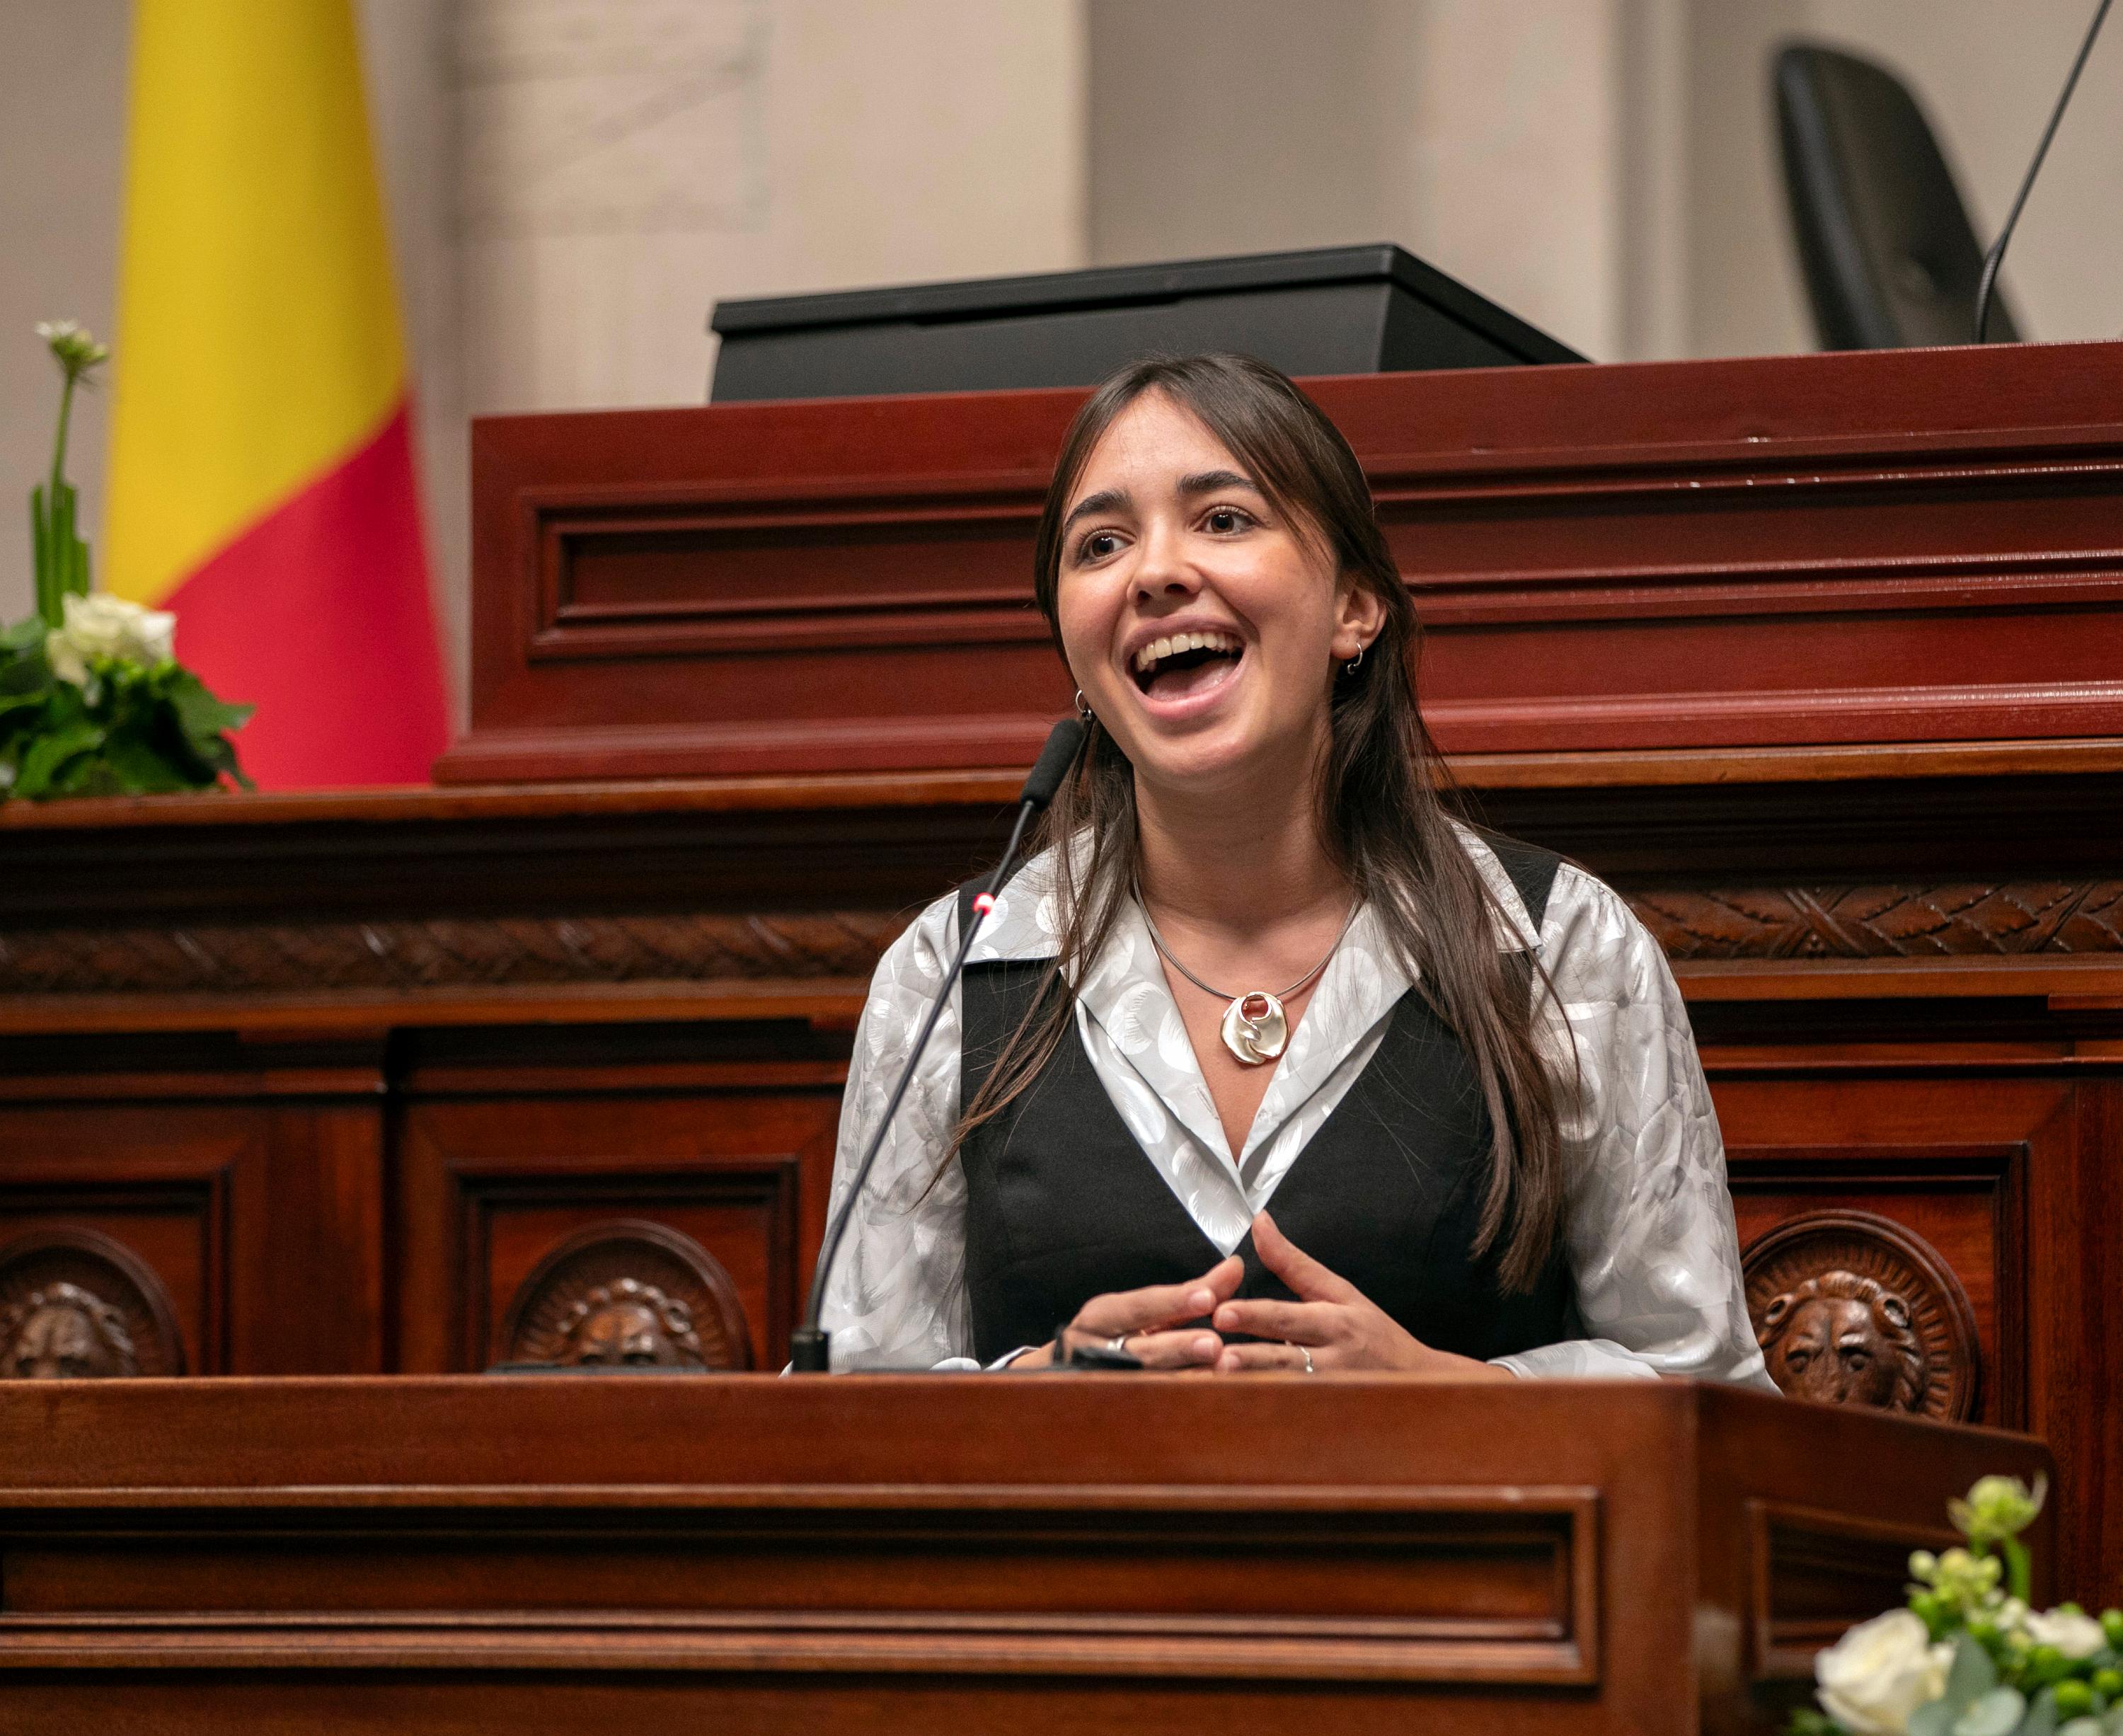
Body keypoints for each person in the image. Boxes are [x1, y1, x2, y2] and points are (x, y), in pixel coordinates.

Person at [819, 352, 1773, 1387]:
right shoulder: (950, 972)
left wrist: (1460, 1398)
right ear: (1074, 650)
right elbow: (844, 1420)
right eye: (1101, 543)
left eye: (1223, 519)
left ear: (1356, 608)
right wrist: (1030, 1400)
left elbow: (1707, 1392)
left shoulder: (1558, 945)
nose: (1154, 572)